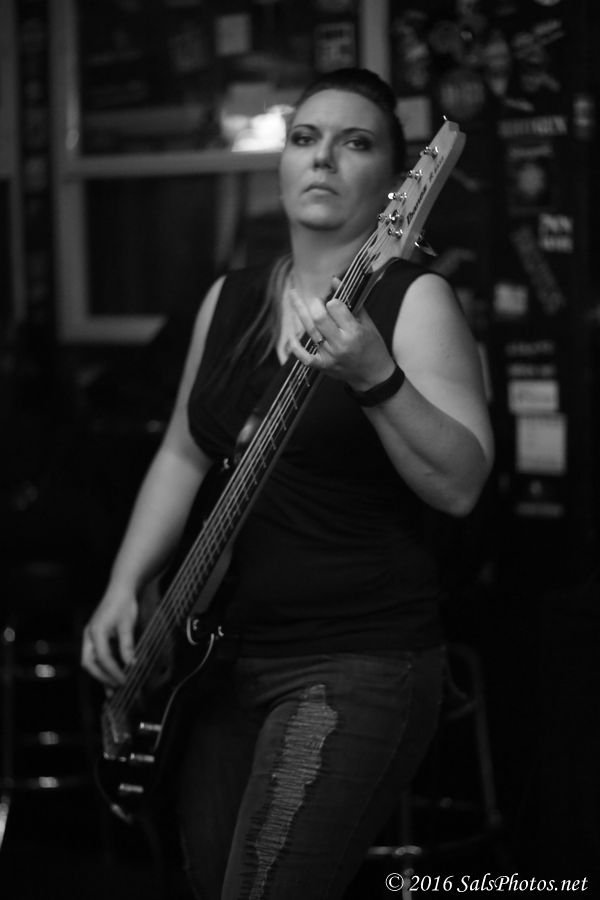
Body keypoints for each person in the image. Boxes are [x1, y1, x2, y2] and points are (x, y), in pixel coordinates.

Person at [81, 67, 494, 899]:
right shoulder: (230, 298)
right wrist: (126, 583)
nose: (323, 158)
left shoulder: (415, 301)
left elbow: (460, 485)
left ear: (396, 182)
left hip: (355, 659)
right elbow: (183, 453)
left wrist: (376, 377)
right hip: (217, 662)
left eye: (355, 142)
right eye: (305, 138)